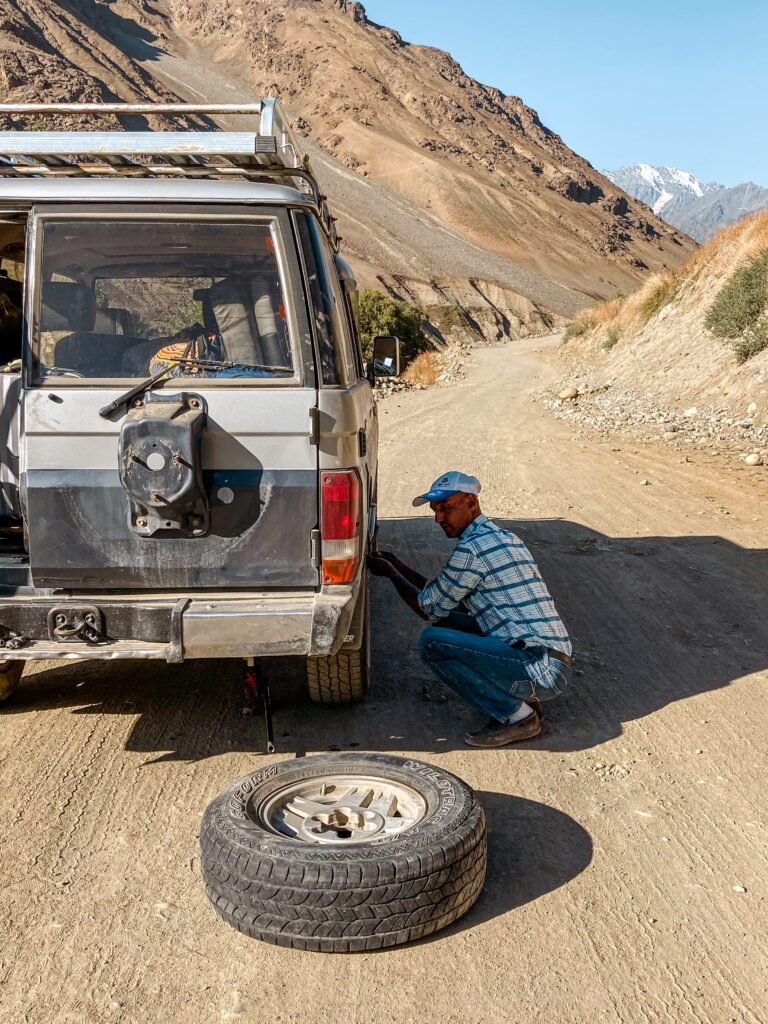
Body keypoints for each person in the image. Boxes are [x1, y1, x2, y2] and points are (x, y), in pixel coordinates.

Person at [366, 471, 573, 747]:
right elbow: (441, 592)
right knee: (448, 622)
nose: (439, 518)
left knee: (431, 642)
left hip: (540, 669)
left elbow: (427, 608)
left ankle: (519, 716)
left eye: (445, 508)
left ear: (471, 502)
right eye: (435, 510)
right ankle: (523, 699)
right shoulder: (501, 536)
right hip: (549, 659)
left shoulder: (472, 549)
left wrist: (391, 575)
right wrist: (398, 565)